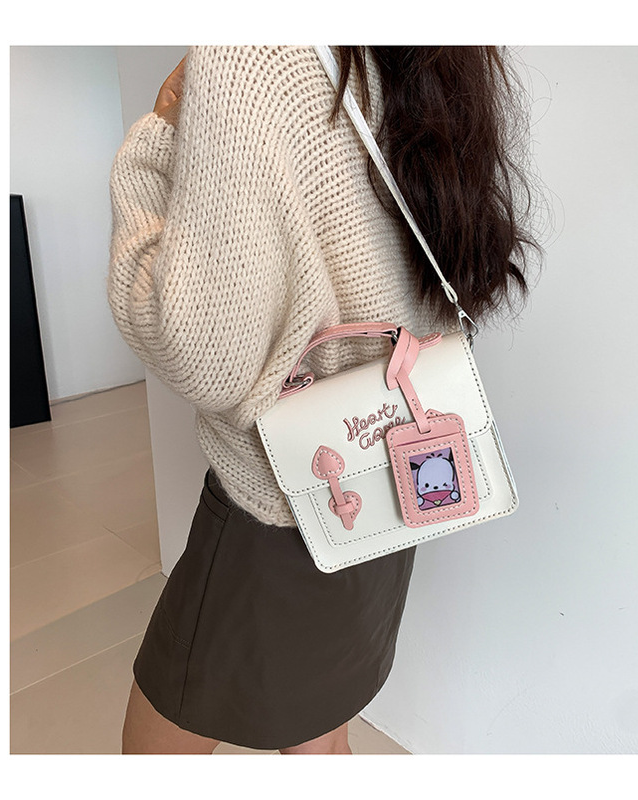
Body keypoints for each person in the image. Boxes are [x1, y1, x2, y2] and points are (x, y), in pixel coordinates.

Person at [108, 45, 536, 755]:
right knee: (318, 736)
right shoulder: (421, 48)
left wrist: (154, 142)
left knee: (159, 742)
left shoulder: (248, 56)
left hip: (285, 505)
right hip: (397, 471)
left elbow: (202, 354)